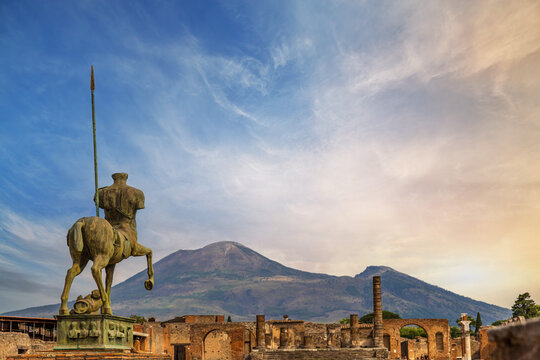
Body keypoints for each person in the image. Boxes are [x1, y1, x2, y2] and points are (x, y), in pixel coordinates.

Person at [96, 172, 145, 259]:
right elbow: (140, 206)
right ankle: (133, 249)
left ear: (114, 178)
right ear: (126, 178)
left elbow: (97, 202)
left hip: (108, 227)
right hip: (126, 227)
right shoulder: (137, 193)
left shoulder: (101, 193)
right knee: (135, 249)